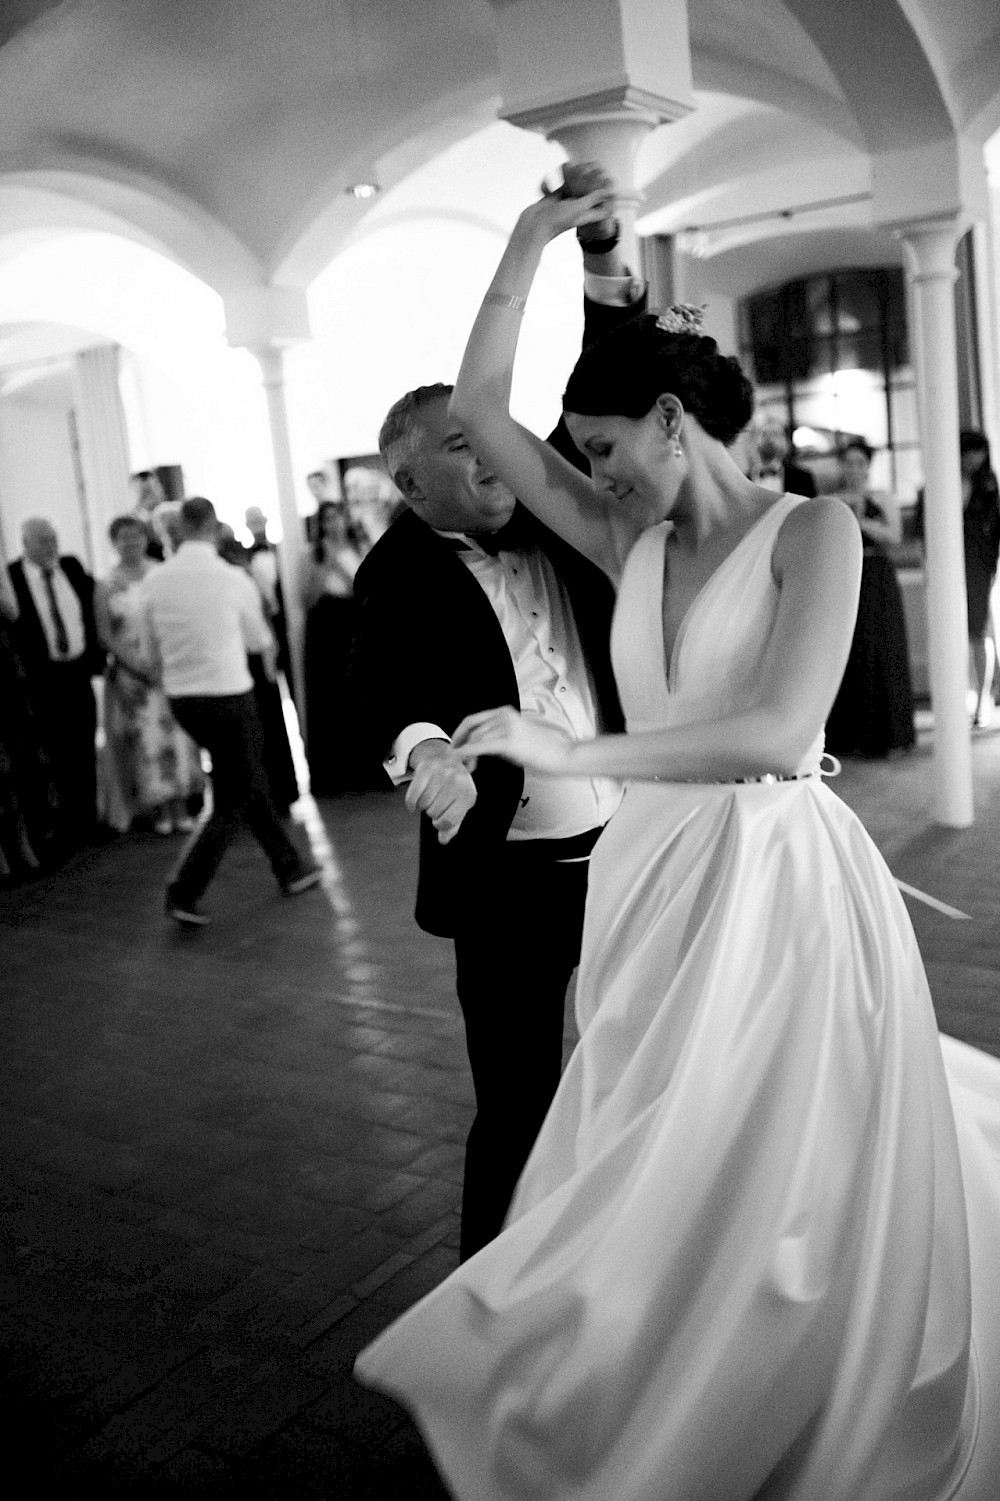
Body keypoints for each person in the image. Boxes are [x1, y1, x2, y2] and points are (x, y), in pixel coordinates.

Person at [356, 183, 1000, 1500]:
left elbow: (775, 729)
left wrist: (572, 752)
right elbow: (483, 407)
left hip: (773, 876)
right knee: (653, 1136)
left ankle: (801, 1378)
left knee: (778, 1138)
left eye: (603, 449)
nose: (587, 478)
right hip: (647, 881)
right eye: (579, 458)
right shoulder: (624, 537)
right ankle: (654, 1370)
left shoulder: (811, 533)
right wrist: (534, 240)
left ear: (669, 417)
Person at [351, 165, 644, 1261]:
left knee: (635, 1070)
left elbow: (611, 369)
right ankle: (491, 1292)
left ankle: (614, 1259)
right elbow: (381, 688)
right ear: (411, 486)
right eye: (461, 449)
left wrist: (599, 247)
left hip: (627, 844)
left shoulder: (553, 501)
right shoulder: (396, 572)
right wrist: (428, 754)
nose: (491, 458)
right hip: (508, 877)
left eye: (490, 436)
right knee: (518, 1100)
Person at [140, 496, 319, 927]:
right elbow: (259, 640)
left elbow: (150, 651)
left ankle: (290, 868)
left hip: (184, 700)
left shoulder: (155, 580)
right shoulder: (232, 578)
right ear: (213, 526)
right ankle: (183, 891)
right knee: (234, 794)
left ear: (180, 528)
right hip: (229, 695)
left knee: (247, 779)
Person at [95, 514, 203, 835]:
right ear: (114, 543)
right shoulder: (106, 584)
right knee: (146, 740)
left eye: (136, 535)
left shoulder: (162, 573)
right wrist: (134, 665)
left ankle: (183, 804)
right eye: (123, 537)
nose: (131, 542)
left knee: (179, 736)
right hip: (132, 671)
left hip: (169, 665)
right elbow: (105, 634)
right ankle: (159, 809)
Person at [7, 517, 104, 852]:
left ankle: (89, 821)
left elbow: (93, 607)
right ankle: (64, 828)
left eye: (54, 538)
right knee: (55, 752)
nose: (52, 546)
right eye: (44, 541)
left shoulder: (71, 567)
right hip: (43, 678)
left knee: (84, 746)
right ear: (26, 543)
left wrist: (95, 656)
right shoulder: (14, 577)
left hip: (77, 671)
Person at [824, 437, 915, 757]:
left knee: (882, 648)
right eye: (848, 463)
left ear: (868, 466)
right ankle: (849, 737)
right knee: (848, 649)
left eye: (860, 463)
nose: (854, 469)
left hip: (876, 573)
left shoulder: (882, 497)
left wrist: (861, 518)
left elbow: (895, 536)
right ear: (841, 466)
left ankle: (887, 736)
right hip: (845, 572)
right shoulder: (831, 499)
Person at [916, 430, 1000, 726]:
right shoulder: (938, 484)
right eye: (968, 452)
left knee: (978, 632)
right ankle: (955, 698)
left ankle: (983, 698)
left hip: (978, 567)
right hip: (945, 566)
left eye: (978, 452)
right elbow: (923, 528)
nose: (973, 459)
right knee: (947, 632)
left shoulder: (989, 486)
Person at [216, 522, 299, 815]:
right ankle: (277, 793)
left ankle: (271, 796)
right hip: (253, 656)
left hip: (248, 657)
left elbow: (265, 612)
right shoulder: (244, 575)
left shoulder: (237, 578)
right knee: (265, 726)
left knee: (261, 727)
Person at [300, 498, 365, 795]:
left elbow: (365, 588)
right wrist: (326, 564)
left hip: (354, 623)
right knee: (329, 698)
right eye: (326, 519)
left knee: (359, 695)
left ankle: (364, 770)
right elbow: (307, 600)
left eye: (337, 517)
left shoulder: (358, 548)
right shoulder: (311, 554)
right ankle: (332, 776)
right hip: (326, 628)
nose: (333, 523)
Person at [751, 414, 816, 496]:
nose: (769, 439)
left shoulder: (802, 478)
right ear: (754, 440)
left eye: (775, 434)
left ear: (785, 441)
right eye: (764, 434)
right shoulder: (743, 480)